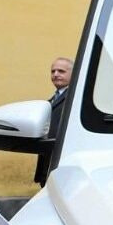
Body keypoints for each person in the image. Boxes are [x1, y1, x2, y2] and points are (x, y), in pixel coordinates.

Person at [38, 57, 74, 186]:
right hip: (48, 165)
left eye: (61, 71)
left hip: (63, 166)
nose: (55, 74)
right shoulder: (52, 100)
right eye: (53, 71)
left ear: (73, 73)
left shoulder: (74, 97)